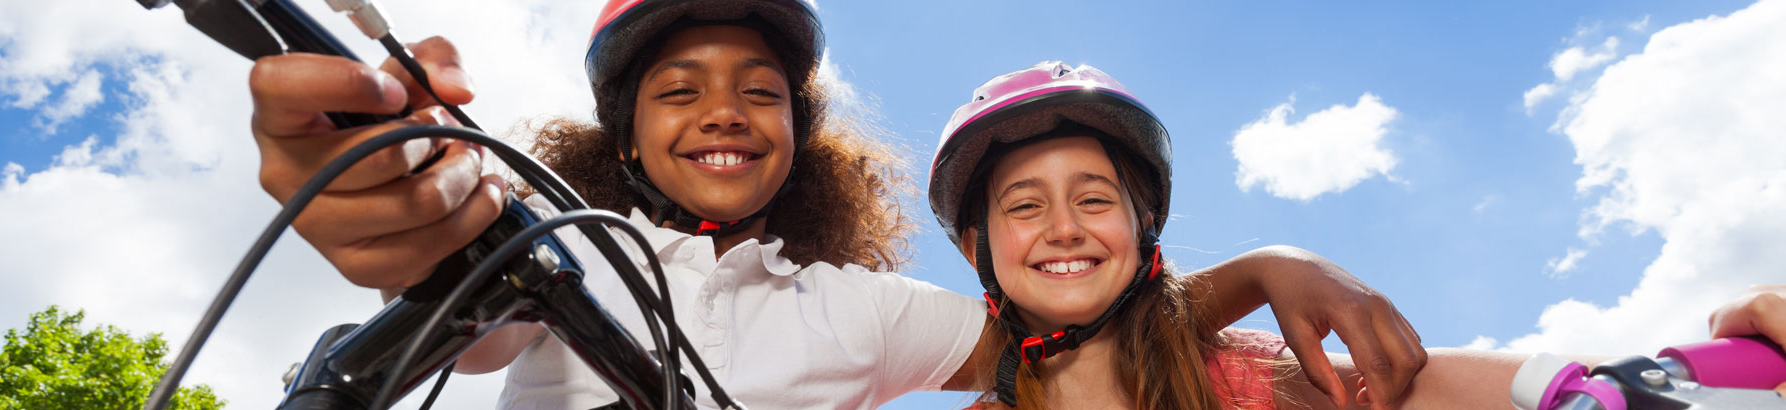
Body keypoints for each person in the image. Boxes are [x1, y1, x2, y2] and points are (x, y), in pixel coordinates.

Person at [246, 1, 1424, 408]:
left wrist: (1268, 264)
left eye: (761, 91)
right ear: (625, 136)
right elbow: (467, 269)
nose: (724, 110)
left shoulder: (859, 309)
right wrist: (407, 203)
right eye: (680, 89)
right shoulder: (570, 246)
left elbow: (1065, 329)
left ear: (801, 140)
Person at [929, 61, 1786, 409]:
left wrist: (1635, 383)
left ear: (1143, 227)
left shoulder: (1243, 375)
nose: (1065, 228)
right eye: (1024, 205)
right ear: (980, 250)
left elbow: (1417, 388)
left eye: (1094, 197)